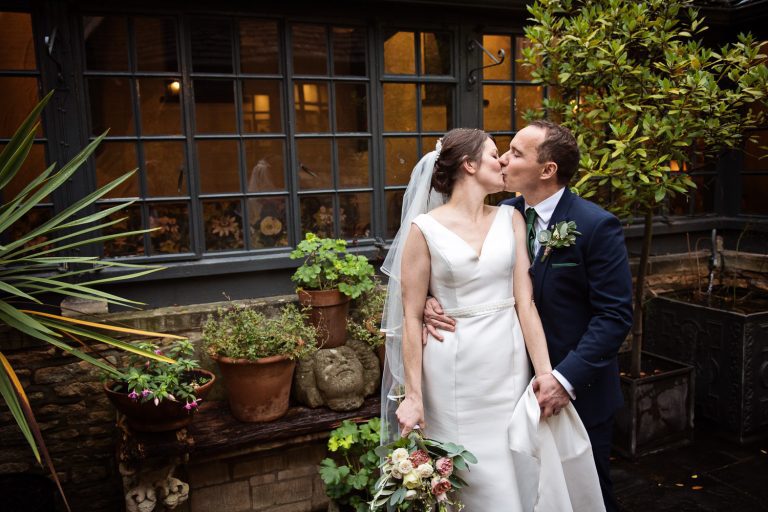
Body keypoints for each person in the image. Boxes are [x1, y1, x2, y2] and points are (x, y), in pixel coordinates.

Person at [380, 128, 604, 510]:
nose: (502, 161)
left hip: (508, 365)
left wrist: (544, 374)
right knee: (468, 475)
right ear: (469, 165)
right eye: (494, 153)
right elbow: (412, 316)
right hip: (451, 367)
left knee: (512, 467)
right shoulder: (424, 229)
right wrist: (414, 395)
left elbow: (526, 303)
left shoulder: (511, 217)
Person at [424, 120, 633, 512]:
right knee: (529, 492)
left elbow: (614, 316)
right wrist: (429, 299)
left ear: (547, 169)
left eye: (516, 153)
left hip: (577, 391)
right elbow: (463, 271)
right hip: (508, 388)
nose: (503, 159)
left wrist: (563, 380)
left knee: (586, 495)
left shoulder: (595, 225)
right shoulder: (504, 214)